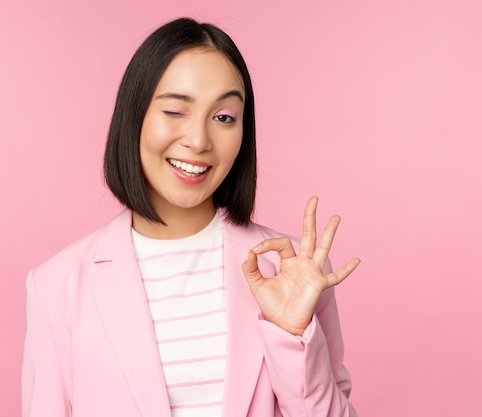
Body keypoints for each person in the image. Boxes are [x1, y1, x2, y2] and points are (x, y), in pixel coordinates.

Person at [22, 17, 360, 417]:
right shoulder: (57, 286)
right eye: (175, 110)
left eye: (223, 117)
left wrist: (291, 335)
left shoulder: (290, 275)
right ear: (135, 118)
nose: (199, 140)